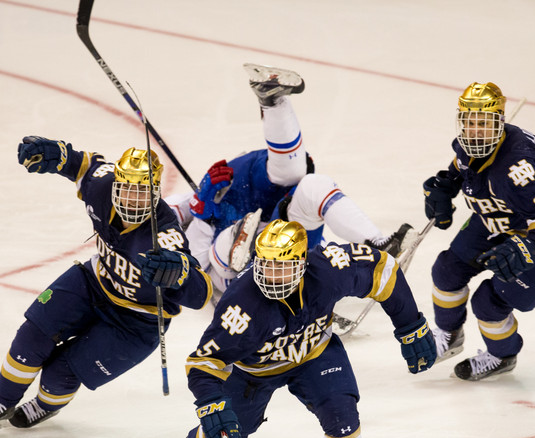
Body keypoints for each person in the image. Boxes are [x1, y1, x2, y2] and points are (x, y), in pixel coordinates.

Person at [160, 219, 436, 438]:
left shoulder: (330, 269)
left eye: (281, 267)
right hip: (254, 374)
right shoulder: (242, 305)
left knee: (343, 419)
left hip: (315, 354)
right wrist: (210, 403)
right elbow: (204, 361)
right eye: (265, 265)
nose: (270, 275)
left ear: (302, 263)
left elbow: (384, 271)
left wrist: (411, 325)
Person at [0, 138, 213, 432]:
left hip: (136, 321)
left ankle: (44, 406)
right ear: (116, 183)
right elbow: (84, 165)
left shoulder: (164, 236)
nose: (132, 200)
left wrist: (180, 272)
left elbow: (201, 294)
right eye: (127, 189)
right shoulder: (102, 186)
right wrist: (58, 154)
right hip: (93, 282)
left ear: (156, 194)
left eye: (142, 193)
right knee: (31, 337)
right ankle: (2, 402)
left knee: (62, 372)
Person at [172, 64, 414, 297]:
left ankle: (378, 246)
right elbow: (193, 269)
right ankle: (250, 270)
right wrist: (201, 214)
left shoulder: (249, 180)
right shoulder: (179, 211)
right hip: (229, 270)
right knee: (234, 236)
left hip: (284, 246)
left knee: (312, 185)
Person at [424, 82, 535, 381]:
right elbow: (461, 166)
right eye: (469, 122)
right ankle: (448, 334)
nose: (475, 131)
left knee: (489, 302)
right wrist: (447, 183)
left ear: (500, 122)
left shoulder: (520, 168)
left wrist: (528, 247)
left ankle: (502, 355)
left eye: (484, 123)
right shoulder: (467, 145)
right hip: (499, 216)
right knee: (447, 270)